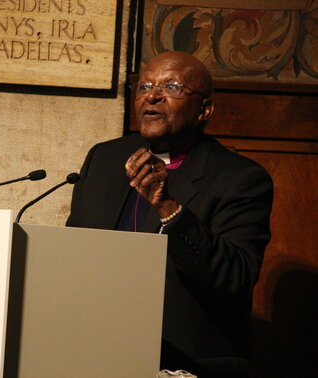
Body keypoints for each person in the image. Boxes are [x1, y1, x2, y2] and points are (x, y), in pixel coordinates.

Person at [67, 51, 273, 377]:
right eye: (145, 86)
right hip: (96, 349)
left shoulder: (240, 179)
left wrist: (170, 209)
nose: (153, 95)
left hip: (182, 363)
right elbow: (73, 253)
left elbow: (235, 277)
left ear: (204, 109)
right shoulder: (105, 158)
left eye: (173, 87)